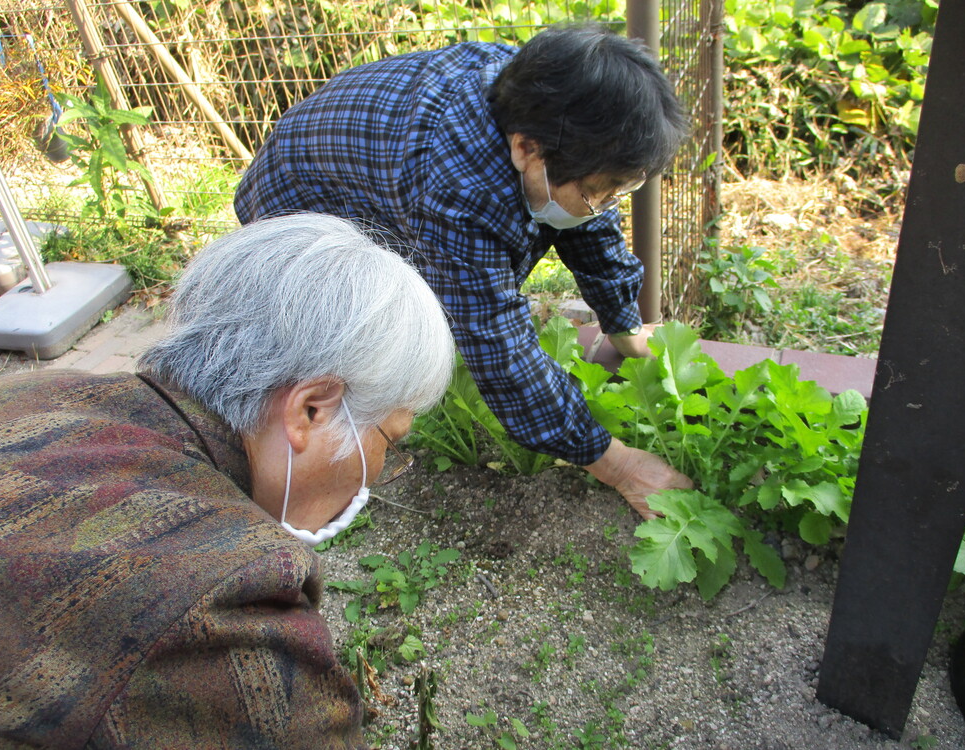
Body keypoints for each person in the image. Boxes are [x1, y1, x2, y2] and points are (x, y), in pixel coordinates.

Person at [0, 213, 454, 747]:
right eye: (389, 444)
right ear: (311, 411)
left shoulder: (34, 393)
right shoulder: (228, 609)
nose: (377, 474)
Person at [234, 24, 694, 520]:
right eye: (596, 193)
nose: (602, 207)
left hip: (375, 165)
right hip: (302, 198)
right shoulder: (458, 188)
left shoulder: (553, 103)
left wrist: (624, 328)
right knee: (330, 351)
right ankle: (285, 492)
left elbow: (592, 225)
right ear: (526, 150)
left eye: (615, 193)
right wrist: (622, 466)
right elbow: (501, 349)